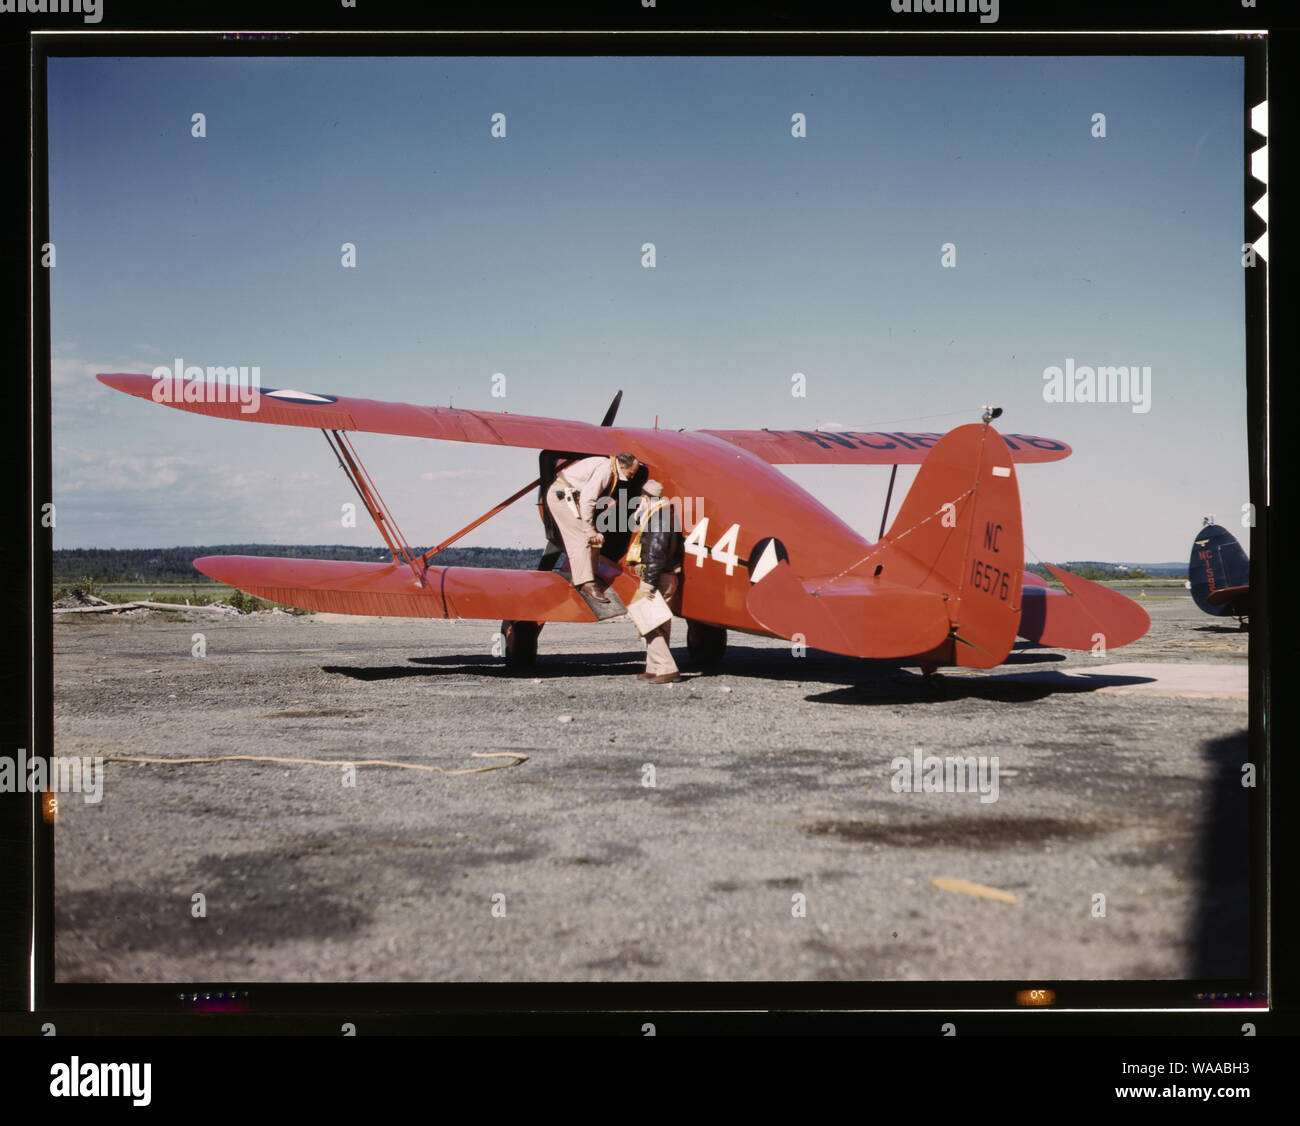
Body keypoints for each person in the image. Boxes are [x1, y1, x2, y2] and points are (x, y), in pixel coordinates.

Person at [546, 452, 640, 603]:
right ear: (622, 466)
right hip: (563, 497)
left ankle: (588, 575)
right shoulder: (606, 470)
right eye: (631, 472)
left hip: (573, 498)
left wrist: (592, 531)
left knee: (596, 539)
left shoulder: (610, 468)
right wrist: (589, 529)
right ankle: (586, 584)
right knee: (582, 538)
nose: (632, 476)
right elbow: (588, 499)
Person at [629, 479, 684, 682]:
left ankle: (668, 668)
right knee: (659, 623)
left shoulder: (657, 518)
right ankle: (655, 667)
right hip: (667, 576)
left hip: (657, 577)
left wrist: (648, 582)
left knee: (646, 620)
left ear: (645, 498)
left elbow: (656, 552)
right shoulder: (668, 514)